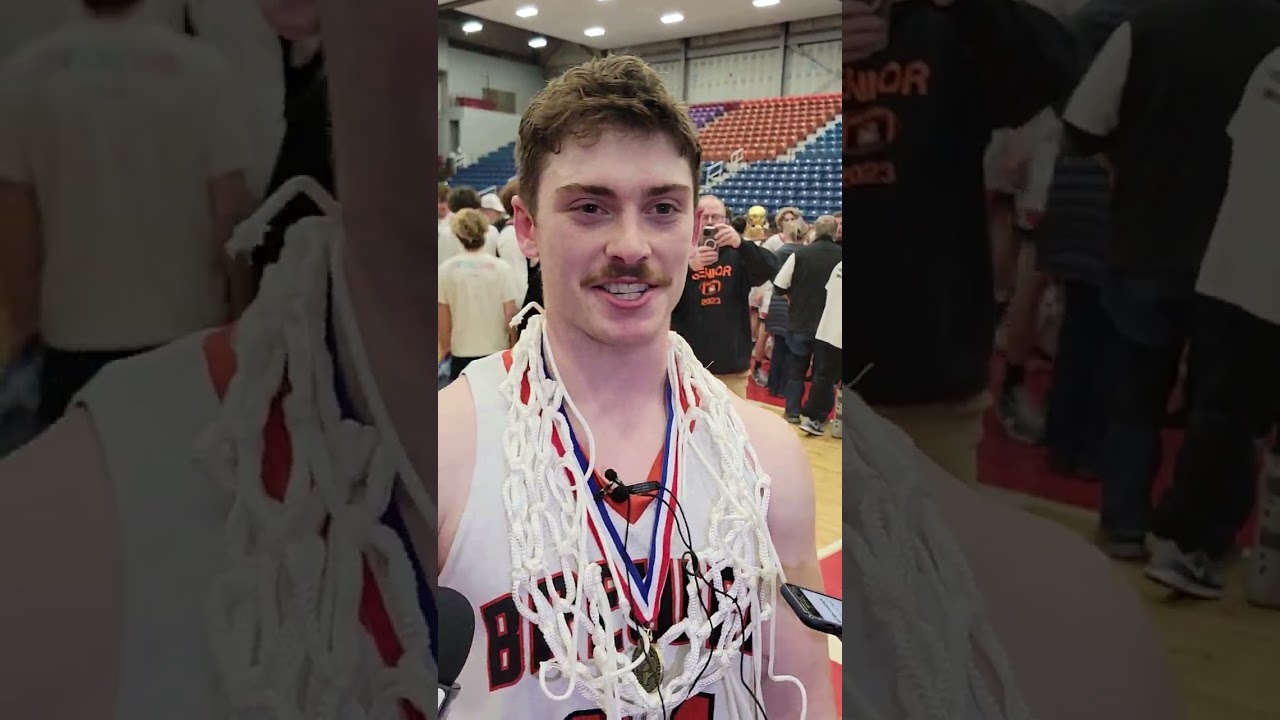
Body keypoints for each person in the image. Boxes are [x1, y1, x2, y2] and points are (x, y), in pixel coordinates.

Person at [438, 60, 834, 717]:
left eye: (662, 208)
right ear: (528, 227)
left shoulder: (767, 458)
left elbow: (803, 694)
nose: (630, 244)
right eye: (591, 207)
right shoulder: (442, 450)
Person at [1061, 0, 1280, 583]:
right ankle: (1199, 543)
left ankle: (1125, 524)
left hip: (1149, 238)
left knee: (1136, 389)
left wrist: (1129, 169)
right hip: (1245, 253)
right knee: (1224, 406)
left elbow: (1083, 126)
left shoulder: (1148, 25)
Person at [844, 0, 1081, 484]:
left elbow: (1056, 71)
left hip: (925, 379)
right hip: (827, 381)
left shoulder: (944, 30)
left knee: (933, 550)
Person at [0, 0, 254, 429]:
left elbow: (16, 223)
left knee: (84, 488)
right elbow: (229, 213)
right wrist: (242, 315)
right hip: (186, 337)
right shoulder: (203, 71)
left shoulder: (26, 74)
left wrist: (24, 324)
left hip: (73, 336)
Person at [670, 194, 780, 398]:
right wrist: (688, 269)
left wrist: (742, 244)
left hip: (731, 365)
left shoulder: (738, 252)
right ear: (694, 219)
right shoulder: (677, 251)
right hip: (687, 364)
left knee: (733, 425)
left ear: (726, 221)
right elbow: (663, 299)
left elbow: (772, 268)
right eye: (704, 216)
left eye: (716, 217)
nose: (710, 222)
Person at [771, 215, 842, 428]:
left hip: (800, 321)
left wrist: (795, 299)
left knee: (796, 369)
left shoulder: (799, 254)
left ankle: (792, 411)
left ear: (815, 231)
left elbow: (779, 286)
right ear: (834, 232)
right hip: (830, 326)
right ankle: (818, 417)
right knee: (824, 374)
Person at [437, 208, 519, 383]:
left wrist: (444, 348)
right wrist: (514, 344)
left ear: (457, 235)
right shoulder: (502, 268)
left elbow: (443, 317)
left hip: (461, 351)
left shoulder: (445, 270)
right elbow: (510, 312)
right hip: (496, 351)